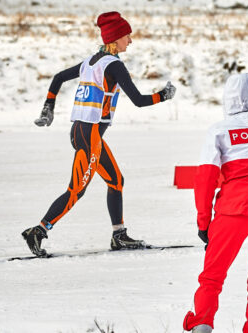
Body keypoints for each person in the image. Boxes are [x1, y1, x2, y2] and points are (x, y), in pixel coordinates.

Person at [22, 11, 176, 257]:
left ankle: (119, 235)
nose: (131, 41)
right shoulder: (114, 65)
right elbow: (138, 100)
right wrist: (163, 96)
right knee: (76, 191)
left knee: (116, 180)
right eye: (127, 36)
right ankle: (38, 231)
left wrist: (48, 107)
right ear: (115, 40)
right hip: (89, 135)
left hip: (82, 132)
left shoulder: (91, 61)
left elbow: (58, 78)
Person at [183, 73, 248, 333]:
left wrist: (203, 221)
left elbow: (206, 177)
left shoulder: (219, 129)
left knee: (212, 277)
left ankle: (203, 324)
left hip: (233, 212)